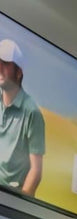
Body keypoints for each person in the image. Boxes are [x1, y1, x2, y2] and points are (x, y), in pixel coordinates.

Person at [0, 39, 45, 197]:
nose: (0, 67)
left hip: (12, 197)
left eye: (5, 63)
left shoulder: (32, 112)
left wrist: (18, 205)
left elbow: (36, 170)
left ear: (19, 73)